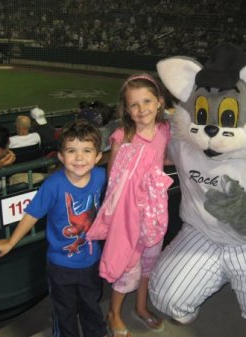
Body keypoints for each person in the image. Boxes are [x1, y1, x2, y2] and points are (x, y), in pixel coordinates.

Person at [0, 119, 107, 337]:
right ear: (61, 156)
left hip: (91, 262)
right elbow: (33, 213)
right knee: (65, 311)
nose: (79, 157)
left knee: (92, 306)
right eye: (72, 150)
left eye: (87, 150)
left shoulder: (100, 176)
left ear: (98, 157)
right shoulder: (53, 184)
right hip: (61, 266)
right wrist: (11, 241)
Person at [86, 74, 172, 337]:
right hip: (128, 215)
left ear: (159, 102)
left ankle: (141, 307)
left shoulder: (165, 130)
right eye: (134, 104)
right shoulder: (122, 136)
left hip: (155, 211)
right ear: (126, 109)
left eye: (147, 101)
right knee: (127, 266)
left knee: (149, 263)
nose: (141, 108)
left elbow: (161, 158)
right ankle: (114, 313)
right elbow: (113, 181)